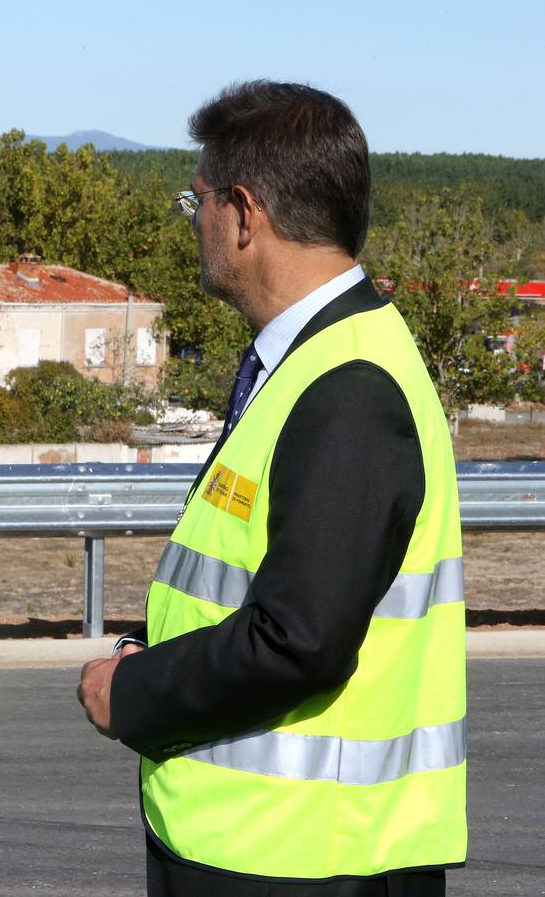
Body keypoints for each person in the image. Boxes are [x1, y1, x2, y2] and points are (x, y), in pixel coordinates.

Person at [77, 81, 466, 895]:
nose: (195, 220)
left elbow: (299, 639)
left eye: (198, 200)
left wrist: (135, 691)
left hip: (304, 858)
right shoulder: (312, 360)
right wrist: (150, 649)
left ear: (244, 214)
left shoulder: (348, 386)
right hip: (268, 848)